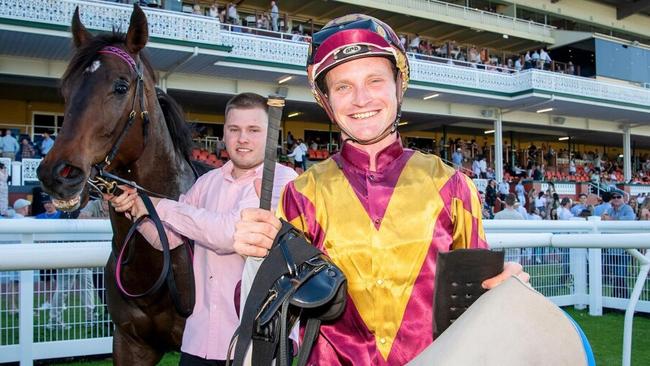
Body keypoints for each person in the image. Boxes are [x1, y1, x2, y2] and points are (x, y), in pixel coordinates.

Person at [232, 15, 527, 364]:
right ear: (326, 101)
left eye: (374, 80)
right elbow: (269, 316)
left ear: (399, 86)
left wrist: (504, 287)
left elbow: (475, 299)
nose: (360, 99)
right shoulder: (301, 194)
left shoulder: (452, 185)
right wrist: (256, 260)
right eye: (342, 87)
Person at [107, 92, 297, 365]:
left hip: (257, 341)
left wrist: (158, 206)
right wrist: (132, 207)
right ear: (224, 134)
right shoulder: (207, 182)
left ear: (271, 137)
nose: (243, 138)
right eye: (234, 129)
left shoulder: (283, 180)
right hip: (199, 339)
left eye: (253, 130)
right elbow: (167, 238)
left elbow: (229, 234)